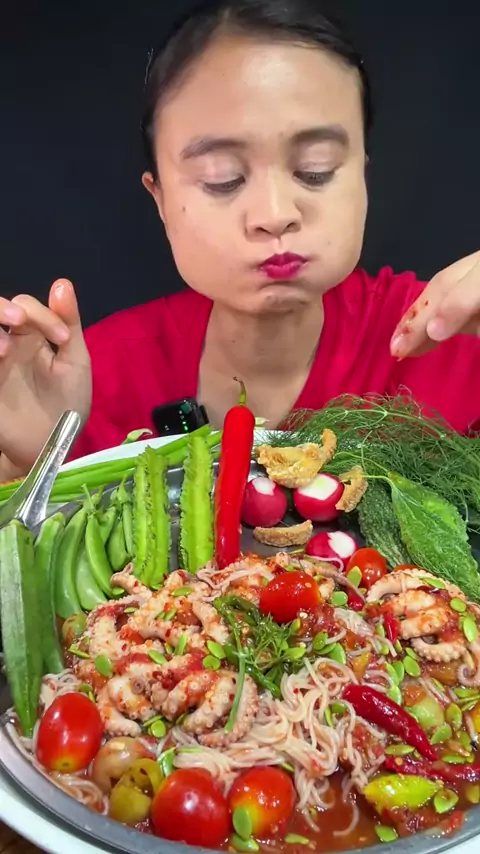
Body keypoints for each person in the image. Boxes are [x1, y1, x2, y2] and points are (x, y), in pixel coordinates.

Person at [1, 0, 479, 481]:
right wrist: (34, 465)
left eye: (315, 170)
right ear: (160, 198)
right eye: (223, 178)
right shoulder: (87, 381)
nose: (275, 215)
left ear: (362, 175)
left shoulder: (449, 336)